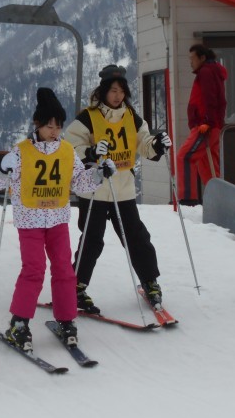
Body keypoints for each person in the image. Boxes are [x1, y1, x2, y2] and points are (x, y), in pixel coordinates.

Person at [0, 87, 116, 352]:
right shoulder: (22, 151)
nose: (54, 131)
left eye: (58, 126)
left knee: (64, 269)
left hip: (57, 219)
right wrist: (1, 169)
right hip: (30, 220)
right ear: (37, 124)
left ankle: (67, 320)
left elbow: (79, 182)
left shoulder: (67, 151)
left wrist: (98, 174)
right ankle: (19, 323)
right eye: (49, 126)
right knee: (34, 269)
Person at [64, 64, 173, 313]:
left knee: (136, 237)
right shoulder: (88, 117)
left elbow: (144, 143)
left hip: (122, 189)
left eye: (122, 91)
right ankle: (76, 286)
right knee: (92, 239)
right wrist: (91, 152)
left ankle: (150, 281)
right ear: (103, 91)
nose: (118, 96)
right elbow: (70, 147)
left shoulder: (132, 117)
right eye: (113, 90)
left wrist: (157, 144)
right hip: (94, 189)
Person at [176, 44, 227, 205]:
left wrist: (207, 122)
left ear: (202, 58)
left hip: (205, 126)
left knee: (184, 157)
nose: (190, 62)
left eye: (193, 58)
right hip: (212, 125)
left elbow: (210, 98)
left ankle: (188, 199)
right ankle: (218, 202)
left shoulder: (206, 72)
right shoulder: (212, 71)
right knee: (207, 165)